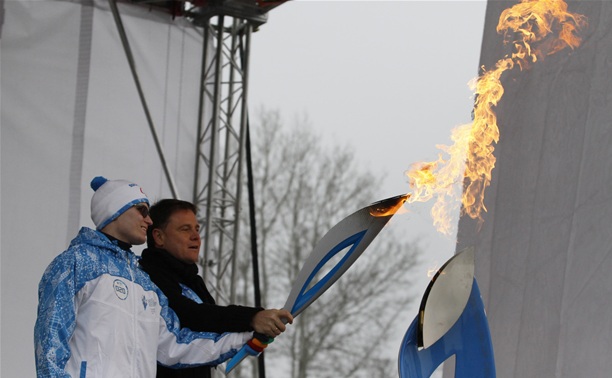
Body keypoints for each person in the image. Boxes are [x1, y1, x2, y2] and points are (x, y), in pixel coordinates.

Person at [34, 177, 252, 377]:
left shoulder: (144, 282)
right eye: (142, 210)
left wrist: (246, 337)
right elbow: (51, 341)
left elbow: (176, 345)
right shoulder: (76, 262)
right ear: (115, 210)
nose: (148, 221)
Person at [139, 198, 293, 377]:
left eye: (197, 229)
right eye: (185, 229)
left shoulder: (193, 280)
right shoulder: (147, 277)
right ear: (159, 237)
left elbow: (213, 328)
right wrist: (252, 318)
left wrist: (252, 334)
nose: (196, 237)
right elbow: (191, 315)